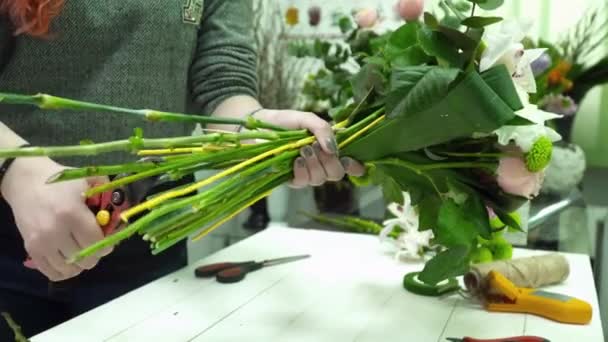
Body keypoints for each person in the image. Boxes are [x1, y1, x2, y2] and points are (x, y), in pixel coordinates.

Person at [0, 0, 364, 338]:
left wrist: (261, 132)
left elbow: (222, 85)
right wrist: (17, 169)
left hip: (151, 234)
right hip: (10, 238)